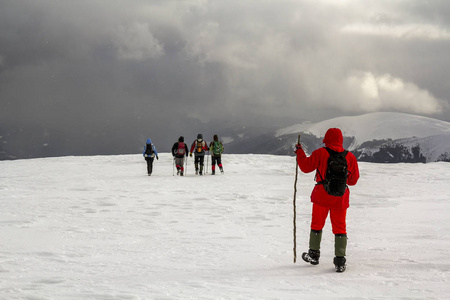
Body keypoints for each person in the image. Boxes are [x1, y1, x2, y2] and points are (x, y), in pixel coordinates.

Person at [295, 128, 359, 272]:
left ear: (327, 139)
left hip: (322, 196)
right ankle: (340, 261)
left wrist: (299, 152)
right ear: (341, 139)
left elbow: (305, 167)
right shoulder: (350, 157)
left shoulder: (320, 153)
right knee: (340, 227)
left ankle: (314, 255)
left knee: (317, 225)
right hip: (341, 198)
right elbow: (353, 180)